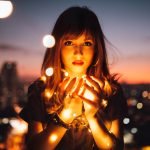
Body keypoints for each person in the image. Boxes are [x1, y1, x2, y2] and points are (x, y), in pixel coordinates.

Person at [19, 6, 127, 150]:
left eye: (87, 43)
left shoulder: (111, 91)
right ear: (58, 47)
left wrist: (93, 118)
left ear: (97, 48)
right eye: (69, 43)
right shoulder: (40, 90)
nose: (78, 53)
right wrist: (65, 115)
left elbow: (116, 147)